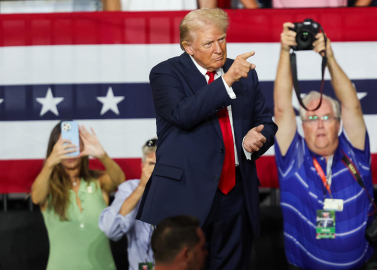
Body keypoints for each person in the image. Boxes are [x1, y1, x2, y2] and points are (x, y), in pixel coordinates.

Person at [136, 8, 277, 270]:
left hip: (236, 195)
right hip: (185, 193)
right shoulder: (166, 74)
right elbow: (183, 114)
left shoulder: (246, 74)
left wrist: (255, 139)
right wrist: (227, 80)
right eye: (209, 43)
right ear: (188, 47)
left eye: (221, 39)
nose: (219, 49)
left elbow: (266, 123)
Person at [274, 22, 374, 270]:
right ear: (302, 125)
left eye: (326, 117)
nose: (319, 125)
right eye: (311, 118)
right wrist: (285, 51)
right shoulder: (292, 158)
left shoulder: (356, 154)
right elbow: (282, 108)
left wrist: (328, 56)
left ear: (339, 123)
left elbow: (352, 106)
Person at [31, 122, 125, 270]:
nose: (70, 151)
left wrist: (102, 155)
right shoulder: (48, 187)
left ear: (83, 146)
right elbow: (36, 197)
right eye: (63, 145)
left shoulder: (98, 182)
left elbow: (120, 181)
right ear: (54, 149)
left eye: (74, 143)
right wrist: (50, 163)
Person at [99, 138, 157, 270]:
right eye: (152, 164)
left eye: (161, 165)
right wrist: (142, 187)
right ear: (143, 166)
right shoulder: (130, 188)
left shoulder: (180, 191)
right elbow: (111, 229)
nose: (156, 170)